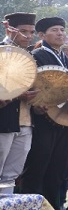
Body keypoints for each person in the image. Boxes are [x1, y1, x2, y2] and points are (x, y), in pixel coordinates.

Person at [16, 17, 68, 210]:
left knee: (58, 168)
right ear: (42, 35)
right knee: (38, 166)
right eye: (55, 30)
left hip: (63, 120)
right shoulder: (37, 55)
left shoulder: (63, 57)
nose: (60, 33)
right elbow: (38, 86)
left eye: (62, 29)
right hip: (43, 119)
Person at [0, 13, 40, 190]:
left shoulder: (31, 55)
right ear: (8, 28)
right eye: (24, 31)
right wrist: (17, 95)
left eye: (32, 32)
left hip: (25, 122)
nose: (29, 36)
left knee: (12, 175)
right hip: (4, 121)